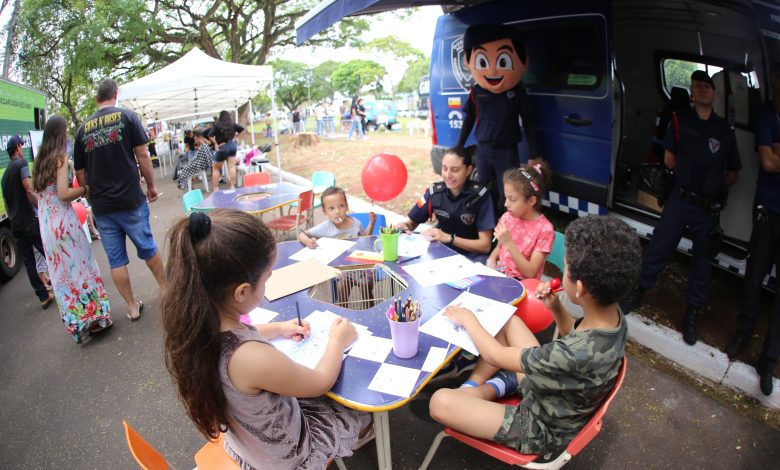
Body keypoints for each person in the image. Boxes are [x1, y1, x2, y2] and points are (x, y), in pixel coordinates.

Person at [162, 209, 372, 468]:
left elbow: (243, 336)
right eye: (266, 278)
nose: (267, 284)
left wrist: (280, 328)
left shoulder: (197, 326)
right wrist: (338, 341)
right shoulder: (252, 358)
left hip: (248, 443)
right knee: (359, 406)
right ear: (242, 292)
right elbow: (319, 382)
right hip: (289, 455)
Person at [429, 215, 640, 457]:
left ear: (579, 288)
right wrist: (556, 308)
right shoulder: (614, 318)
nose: (562, 271)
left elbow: (495, 354)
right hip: (557, 391)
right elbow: (576, 333)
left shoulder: (569, 354)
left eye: (565, 267)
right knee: (508, 320)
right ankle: (487, 386)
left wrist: (468, 318)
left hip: (540, 427)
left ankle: (490, 388)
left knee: (440, 402)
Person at [621, 71, 741, 346]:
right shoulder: (679, 119)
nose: (701, 90)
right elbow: (669, 159)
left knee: (702, 264)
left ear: (713, 93)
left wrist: (712, 187)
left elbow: (734, 172)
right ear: (691, 92)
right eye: (697, 86)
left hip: (706, 209)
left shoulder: (724, 130)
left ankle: (691, 315)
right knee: (658, 249)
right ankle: (638, 293)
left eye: (706, 87)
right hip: (680, 200)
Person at [74, 78, 164, 322]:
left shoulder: (82, 130)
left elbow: (80, 174)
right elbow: (143, 154)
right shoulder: (128, 117)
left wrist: (92, 197)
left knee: (116, 261)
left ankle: (133, 307)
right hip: (130, 200)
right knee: (148, 247)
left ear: (96, 99)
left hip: (103, 208)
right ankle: (167, 292)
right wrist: (152, 186)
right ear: (116, 94)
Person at [33, 115, 112, 344]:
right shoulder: (60, 159)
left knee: (62, 276)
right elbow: (63, 194)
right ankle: (95, 318)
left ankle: (78, 324)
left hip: (47, 227)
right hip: (64, 223)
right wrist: (86, 188)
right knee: (82, 267)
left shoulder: (39, 161)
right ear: (61, 132)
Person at [726, 63, 780, 396]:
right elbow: (769, 162)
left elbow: (775, 157)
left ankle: (768, 360)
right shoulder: (767, 114)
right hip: (768, 211)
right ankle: (743, 333)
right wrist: (773, 154)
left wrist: (776, 151)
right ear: (774, 80)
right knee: (754, 276)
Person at [454, 24, 540, 207]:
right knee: (484, 190)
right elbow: (469, 119)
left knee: (508, 194)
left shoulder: (518, 93)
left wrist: (534, 154)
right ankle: (487, 229)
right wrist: (459, 146)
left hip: (507, 151)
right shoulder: (476, 92)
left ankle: (504, 229)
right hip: (483, 150)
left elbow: (529, 122)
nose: (493, 71)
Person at [394, 147, 495, 263]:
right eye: (444, 168)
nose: (448, 175)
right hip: (441, 250)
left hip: (472, 256)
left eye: (455, 170)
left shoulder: (480, 196)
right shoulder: (434, 193)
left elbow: (485, 245)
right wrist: (404, 226)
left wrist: (449, 238)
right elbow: (412, 223)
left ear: (468, 170)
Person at [1, 135, 54, 308]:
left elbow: (8, 206)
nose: (23, 149)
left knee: (30, 261)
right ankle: (63, 285)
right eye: (22, 146)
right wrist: (42, 208)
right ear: (17, 147)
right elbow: (29, 190)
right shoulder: (21, 164)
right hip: (29, 222)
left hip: (15, 224)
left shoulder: (4, 176)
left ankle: (43, 296)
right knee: (48, 252)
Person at [487, 160, 554, 279]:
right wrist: (491, 260)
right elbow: (498, 249)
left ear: (531, 201)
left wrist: (509, 243)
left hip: (524, 285)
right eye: (505, 197)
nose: (506, 204)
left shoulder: (545, 230)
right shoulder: (507, 217)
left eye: (512, 199)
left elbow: (531, 273)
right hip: (501, 277)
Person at [298, 187, 376, 248]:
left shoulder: (355, 223)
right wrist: (308, 241)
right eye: (332, 208)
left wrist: (371, 223)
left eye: (341, 206)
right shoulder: (325, 227)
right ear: (325, 212)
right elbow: (302, 235)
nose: (337, 211)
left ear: (347, 207)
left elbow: (365, 238)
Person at [209, 110, 245, 190]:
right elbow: (242, 129)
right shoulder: (232, 124)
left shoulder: (217, 125)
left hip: (222, 146)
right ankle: (232, 186)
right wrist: (235, 137)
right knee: (231, 167)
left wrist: (215, 144)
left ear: (220, 116)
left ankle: (216, 188)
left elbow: (210, 135)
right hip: (232, 146)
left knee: (216, 168)